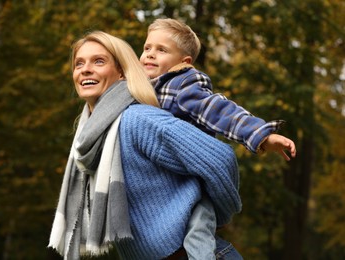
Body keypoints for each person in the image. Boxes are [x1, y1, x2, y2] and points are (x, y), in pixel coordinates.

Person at [48, 31, 242, 260]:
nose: (85, 69)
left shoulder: (136, 120)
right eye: (79, 63)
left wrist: (217, 215)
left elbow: (221, 157)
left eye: (98, 61)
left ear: (121, 72)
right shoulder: (90, 139)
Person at [139, 18, 297, 259]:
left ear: (184, 62)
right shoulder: (141, 89)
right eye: (147, 48)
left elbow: (221, 112)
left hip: (194, 184)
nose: (150, 54)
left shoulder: (183, 83)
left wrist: (263, 136)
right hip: (164, 186)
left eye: (161, 50)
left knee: (198, 233)